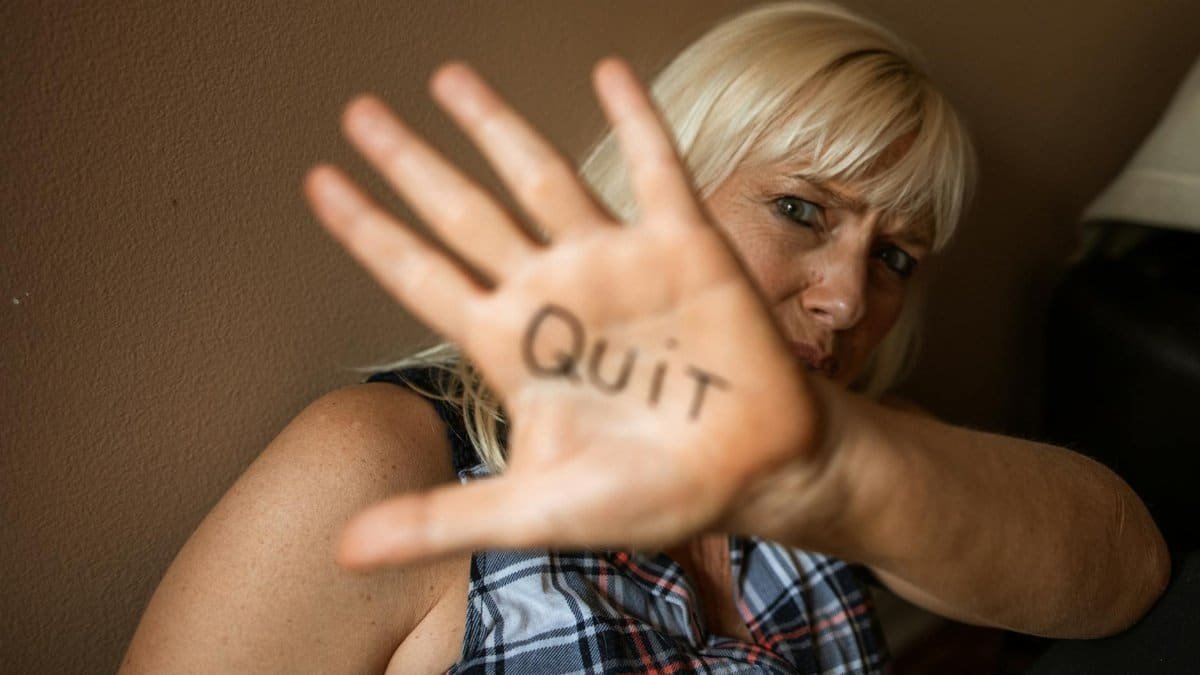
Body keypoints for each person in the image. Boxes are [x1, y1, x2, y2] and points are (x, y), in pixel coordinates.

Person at [120, 3, 1169, 673]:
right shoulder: (383, 461)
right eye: (801, 210)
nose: (850, 299)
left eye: (895, 256)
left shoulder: (855, 455)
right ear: (668, 181)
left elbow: (1129, 571)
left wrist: (833, 471)